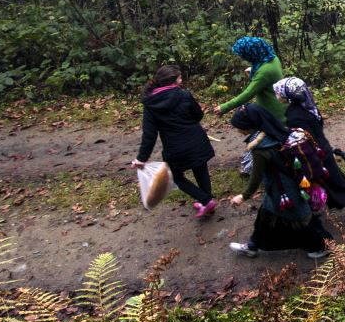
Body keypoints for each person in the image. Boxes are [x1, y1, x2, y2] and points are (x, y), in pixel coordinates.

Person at [227, 104, 331, 259]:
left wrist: (243, 196)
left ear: (250, 126)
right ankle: (252, 245)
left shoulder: (261, 149)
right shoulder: (278, 130)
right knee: (267, 215)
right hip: (292, 183)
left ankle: (318, 248)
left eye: (240, 127)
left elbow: (255, 178)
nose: (239, 131)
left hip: (283, 191)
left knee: (299, 220)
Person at [274, 76, 345, 220]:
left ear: (288, 95)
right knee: (334, 180)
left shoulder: (294, 115)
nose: (277, 95)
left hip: (316, 154)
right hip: (322, 147)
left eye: (279, 93)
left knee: (336, 182)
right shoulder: (307, 106)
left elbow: (304, 138)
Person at [132, 65, 216, 218]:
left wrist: (141, 158)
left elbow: (150, 135)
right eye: (180, 77)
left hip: (175, 148)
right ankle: (207, 201)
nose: (181, 80)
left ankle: (206, 201)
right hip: (197, 141)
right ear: (173, 81)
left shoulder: (150, 104)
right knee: (200, 169)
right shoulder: (184, 95)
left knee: (177, 176)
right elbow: (198, 115)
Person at [215, 37, 286, 121]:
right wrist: (253, 70)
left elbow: (248, 93)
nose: (242, 58)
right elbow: (268, 73)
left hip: (274, 113)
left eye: (243, 55)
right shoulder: (272, 58)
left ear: (251, 54)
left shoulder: (264, 72)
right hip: (279, 106)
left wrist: (225, 107)